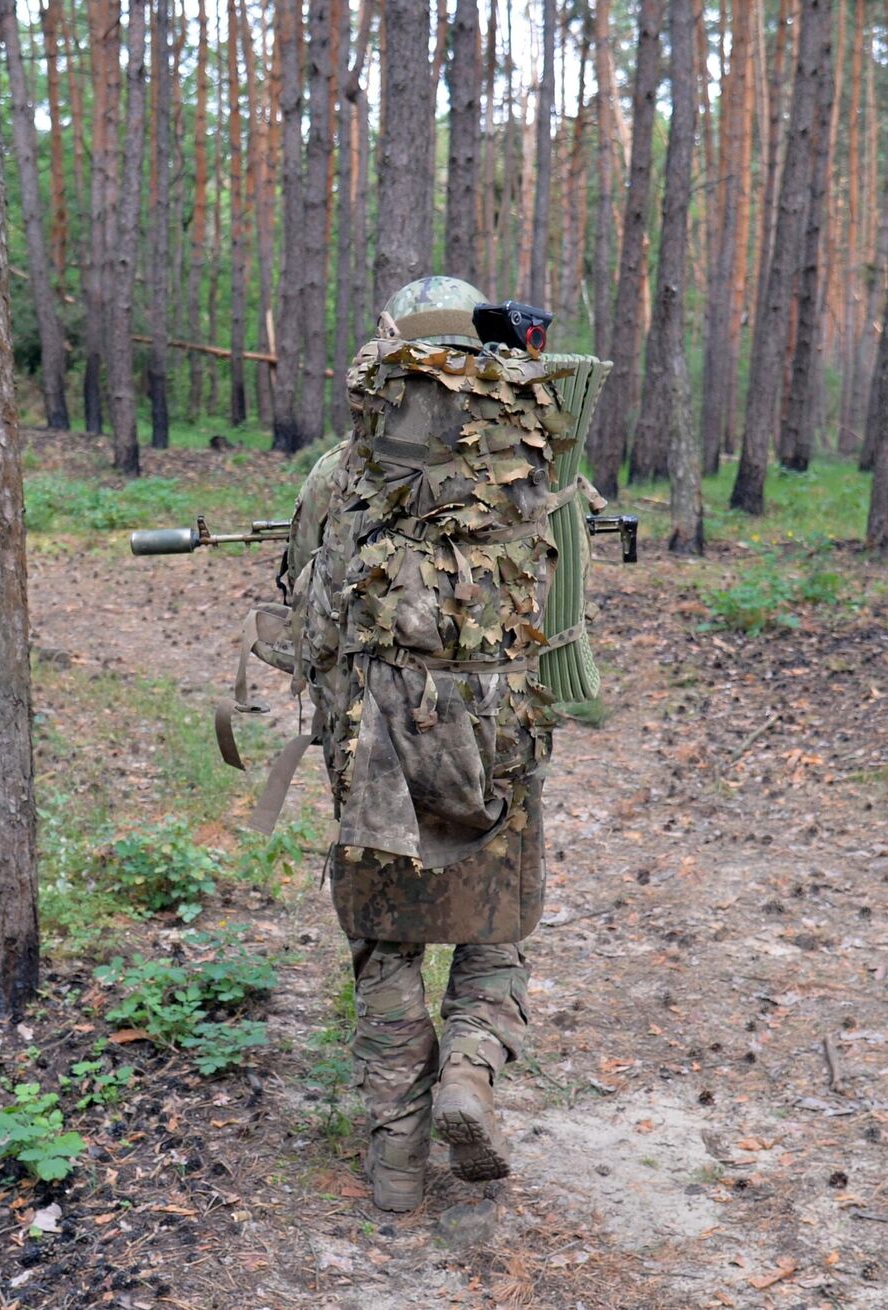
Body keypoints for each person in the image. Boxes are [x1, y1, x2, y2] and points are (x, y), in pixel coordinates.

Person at [269, 275, 574, 1211]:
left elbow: (309, 613)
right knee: (494, 933)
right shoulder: (531, 471)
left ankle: (397, 1165)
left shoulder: (337, 475)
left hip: (373, 744)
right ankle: (471, 1077)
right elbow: (562, 627)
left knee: (385, 946)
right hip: (494, 738)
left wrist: (336, 730)